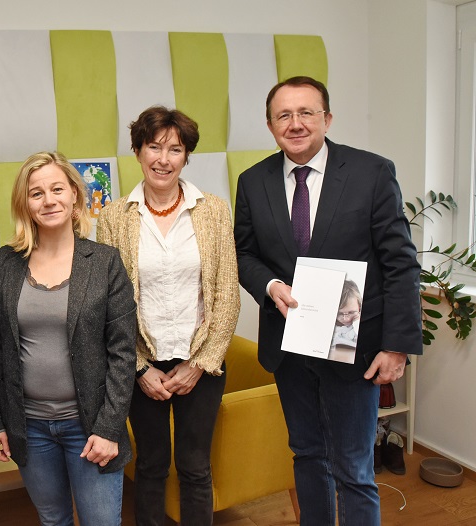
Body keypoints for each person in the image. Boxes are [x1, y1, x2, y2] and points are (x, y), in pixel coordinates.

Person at [234, 76, 422, 525]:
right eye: (284, 115)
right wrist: (270, 285)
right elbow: (243, 252)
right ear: (270, 124)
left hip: (352, 346)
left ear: (327, 119)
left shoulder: (371, 172)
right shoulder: (253, 181)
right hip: (289, 346)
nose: (295, 123)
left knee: (354, 468)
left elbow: (400, 262)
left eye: (306, 113)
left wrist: (397, 346)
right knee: (306, 455)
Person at [96, 106, 240, 526]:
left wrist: (199, 364)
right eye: (154, 147)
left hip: (201, 362)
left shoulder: (213, 210)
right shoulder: (114, 217)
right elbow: (108, 301)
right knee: (151, 465)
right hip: (141, 365)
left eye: (174, 149)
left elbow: (227, 295)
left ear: (186, 156)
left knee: (196, 468)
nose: (163, 158)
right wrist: (139, 368)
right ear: (138, 151)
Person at [0, 151, 137, 526]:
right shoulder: (6, 262)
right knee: (53, 519)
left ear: (74, 196)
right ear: (25, 204)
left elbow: (123, 352)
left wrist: (108, 428)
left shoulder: (104, 262)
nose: (48, 200)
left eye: (57, 189)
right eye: (36, 193)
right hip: (29, 426)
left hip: (88, 426)